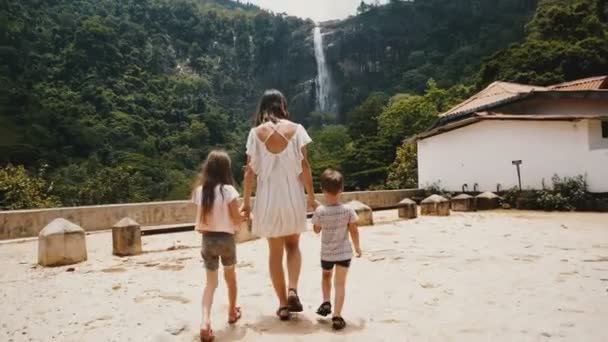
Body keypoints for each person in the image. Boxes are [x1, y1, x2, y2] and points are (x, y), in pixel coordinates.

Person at [241, 89, 317, 321]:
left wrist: (246, 204)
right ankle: (293, 289)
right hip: (292, 196)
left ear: (262, 108)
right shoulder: (297, 129)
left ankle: (283, 305)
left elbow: (249, 173)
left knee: (274, 252)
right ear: (283, 105)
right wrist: (311, 197)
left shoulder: (256, 133)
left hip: (267, 199)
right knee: (293, 246)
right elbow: (305, 167)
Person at [192, 150, 247, 342]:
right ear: (226, 170)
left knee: (210, 284)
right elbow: (236, 218)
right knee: (230, 278)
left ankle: (205, 322)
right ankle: (232, 312)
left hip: (207, 240)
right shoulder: (228, 191)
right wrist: (245, 214)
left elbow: (201, 220)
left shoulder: (200, 192)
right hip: (226, 240)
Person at [312, 169, 362, 331]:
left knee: (326, 277)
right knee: (340, 284)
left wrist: (318, 218)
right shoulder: (348, 210)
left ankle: (326, 301)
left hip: (327, 254)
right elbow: (354, 230)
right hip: (344, 254)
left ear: (322, 190)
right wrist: (357, 248)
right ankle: (337, 315)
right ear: (341, 189)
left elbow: (316, 230)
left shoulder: (320, 211)